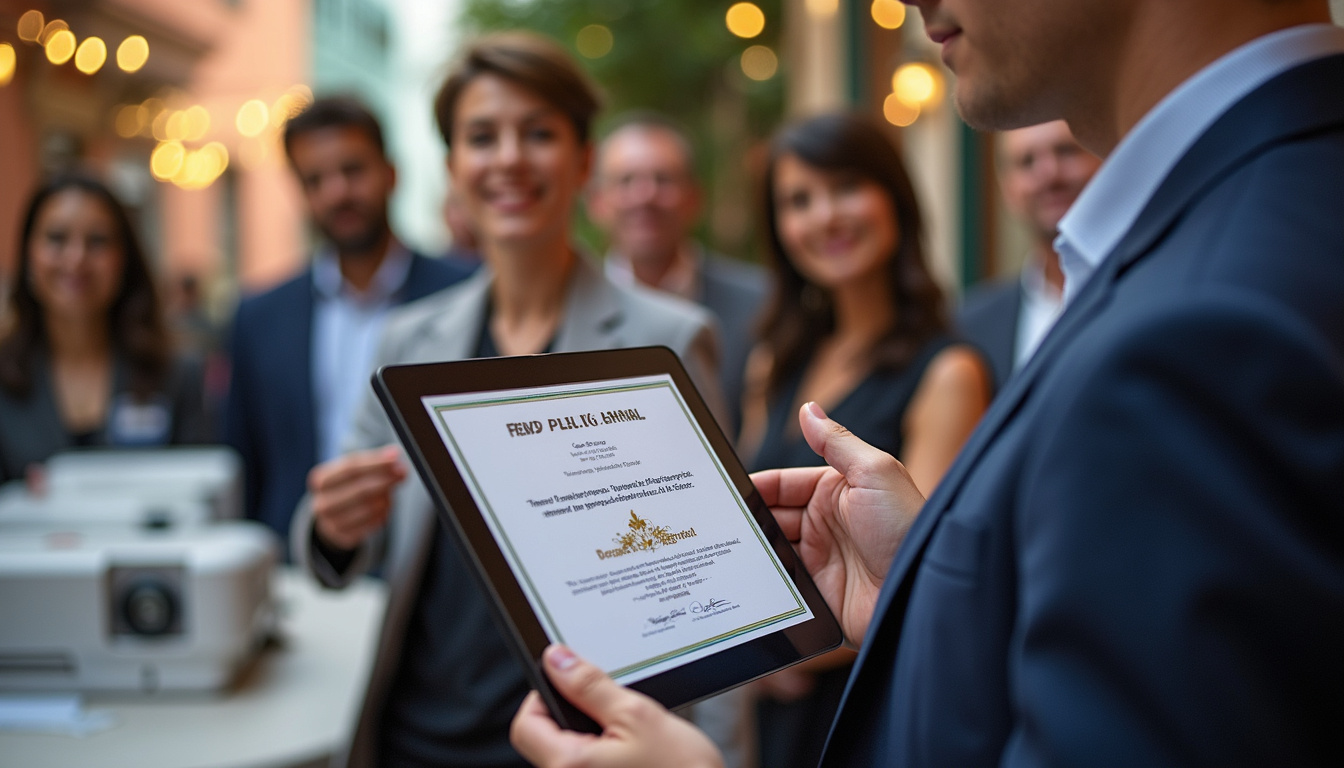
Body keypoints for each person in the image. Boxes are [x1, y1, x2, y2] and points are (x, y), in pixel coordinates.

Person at [509, 1, 1344, 766]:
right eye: (797, 201)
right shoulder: (1238, 224)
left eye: (844, 189)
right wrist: (926, 576)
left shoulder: (1208, 319)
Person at [291, 32, 724, 768]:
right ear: (454, 168)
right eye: (482, 137)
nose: (510, 159)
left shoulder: (669, 339)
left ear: (584, 161)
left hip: (581, 746)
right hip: (415, 735)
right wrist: (335, 524)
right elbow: (332, 529)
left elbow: (713, 585)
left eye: (540, 133)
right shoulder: (407, 340)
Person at [741, 112, 990, 768]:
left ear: (893, 199)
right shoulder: (775, 360)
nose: (825, 216)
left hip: (865, 699)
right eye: (798, 200)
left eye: (846, 186)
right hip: (770, 704)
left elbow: (916, 573)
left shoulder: (948, 372)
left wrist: (776, 650)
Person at [224, 97, 474, 542]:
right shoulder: (259, 316)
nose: (337, 192)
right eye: (315, 180)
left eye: (353, 170)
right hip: (303, 565)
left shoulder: (466, 294)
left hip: (432, 562)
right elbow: (245, 461)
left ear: (391, 174)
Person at [0, 174, 211, 484]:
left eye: (97, 241)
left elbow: (204, 490)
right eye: (56, 239)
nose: (76, 259)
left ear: (124, 259)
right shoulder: (3, 377)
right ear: (28, 255)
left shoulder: (177, 374)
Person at [588, 114, 768, 435]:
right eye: (626, 181)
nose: (645, 196)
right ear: (597, 203)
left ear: (694, 199)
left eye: (663, 179)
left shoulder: (761, 303)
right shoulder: (568, 309)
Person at [957, 120, 1101, 388]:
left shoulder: (1150, 290)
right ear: (1007, 189)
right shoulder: (969, 325)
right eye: (1026, 162)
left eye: (1066, 151)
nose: (1049, 174)